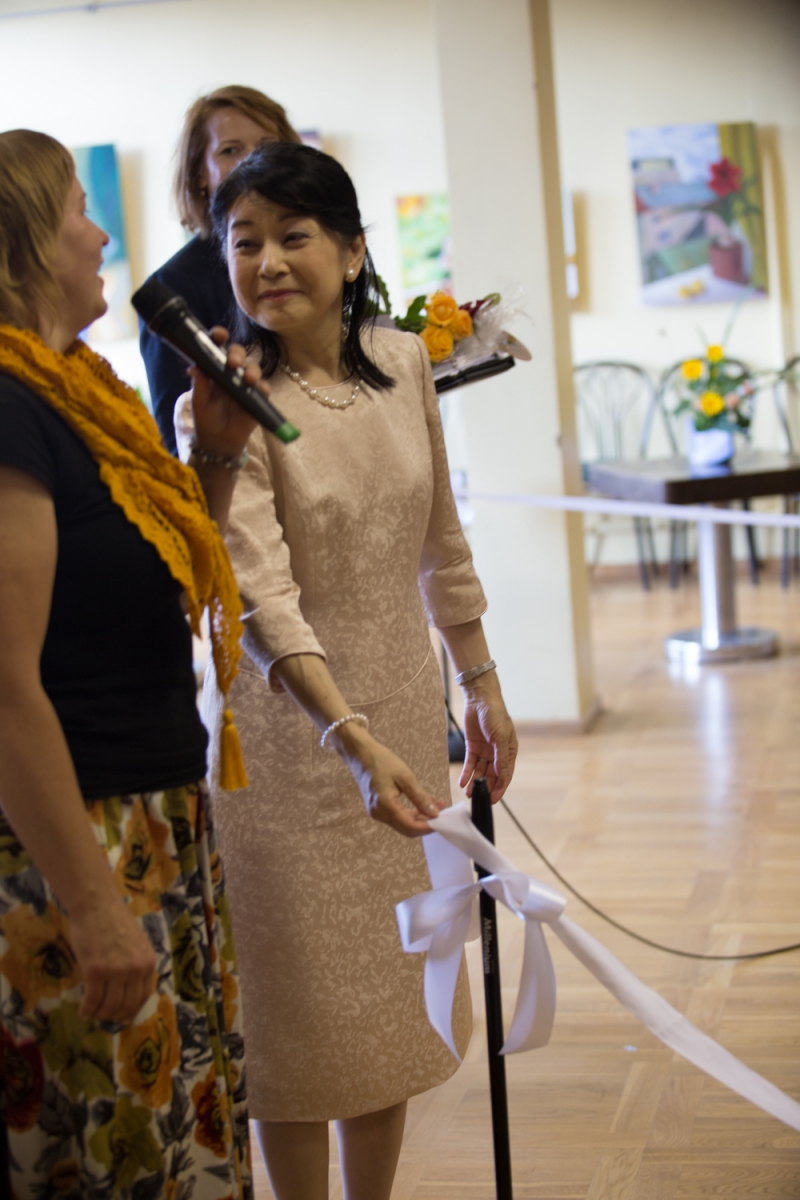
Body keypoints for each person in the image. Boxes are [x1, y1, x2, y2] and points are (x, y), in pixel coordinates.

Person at [180, 141, 519, 1200]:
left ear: (353, 249)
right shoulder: (223, 403)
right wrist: (347, 737)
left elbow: (440, 542)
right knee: (297, 1020)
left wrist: (481, 683)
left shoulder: (403, 362)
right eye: (244, 243)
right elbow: (259, 597)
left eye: (294, 236)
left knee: (386, 1005)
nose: (269, 262)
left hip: (403, 719)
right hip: (288, 743)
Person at [0, 128, 263, 1199]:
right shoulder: (8, 410)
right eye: (79, 211)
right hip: (76, 845)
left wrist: (218, 448)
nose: (102, 235)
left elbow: (154, 583)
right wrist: (94, 905)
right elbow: (4, 685)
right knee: (117, 1156)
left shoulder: (77, 393)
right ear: (26, 242)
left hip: (151, 823)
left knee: (179, 1146)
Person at [139, 85, 301, 453]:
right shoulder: (172, 285)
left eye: (267, 145)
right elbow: (180, 439)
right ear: (200, 174)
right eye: (231, 150)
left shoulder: (317, 253)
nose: (253, 161)